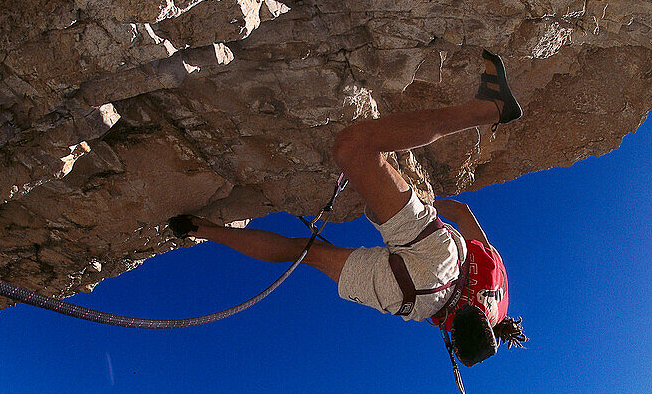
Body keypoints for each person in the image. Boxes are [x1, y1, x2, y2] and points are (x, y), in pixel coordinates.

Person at [168, 50, 527, 370]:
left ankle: (484, 109)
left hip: (443, 254)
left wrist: (423, 199)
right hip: (413, 295)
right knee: (303, 253)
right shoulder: (470, 320)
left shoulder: (500, 288)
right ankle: (202, 230)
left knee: (358, 147)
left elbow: (462, 212)